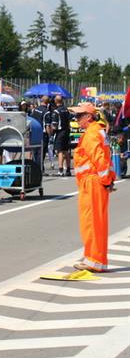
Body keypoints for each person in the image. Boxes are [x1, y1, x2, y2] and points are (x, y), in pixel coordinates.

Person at [69, 102, 116, 273]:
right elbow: (104, 158)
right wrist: (108, 180)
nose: (76, 119)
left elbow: (100, 159)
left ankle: (94, 260)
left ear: (88, 117)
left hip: (92, 182)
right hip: (95, 182)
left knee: (91, 222)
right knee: (96, 222)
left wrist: (106, 180)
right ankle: (95, 258)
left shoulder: (91, 133)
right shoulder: (96, 130)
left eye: (79, 116)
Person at [51, 95, 72, 176]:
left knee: (60, 151)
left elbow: (54, 125)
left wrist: (52, 134)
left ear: (56, 101)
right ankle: (68, 169)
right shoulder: (66, 110)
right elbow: (69, 120)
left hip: (60, 132)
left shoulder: (56, 112)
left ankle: (60, 170)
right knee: (66, 151)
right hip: (67, 131)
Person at [31, 96, 52, 173]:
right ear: (48, 102)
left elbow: (32, 120)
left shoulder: (35, 109)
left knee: (35, 151)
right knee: (41, 153)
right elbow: (47, 126)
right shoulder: (47, 112)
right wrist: (50, 136)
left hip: (34, 133)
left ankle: (36, 167)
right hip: (43, 134)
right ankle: (39, 169)